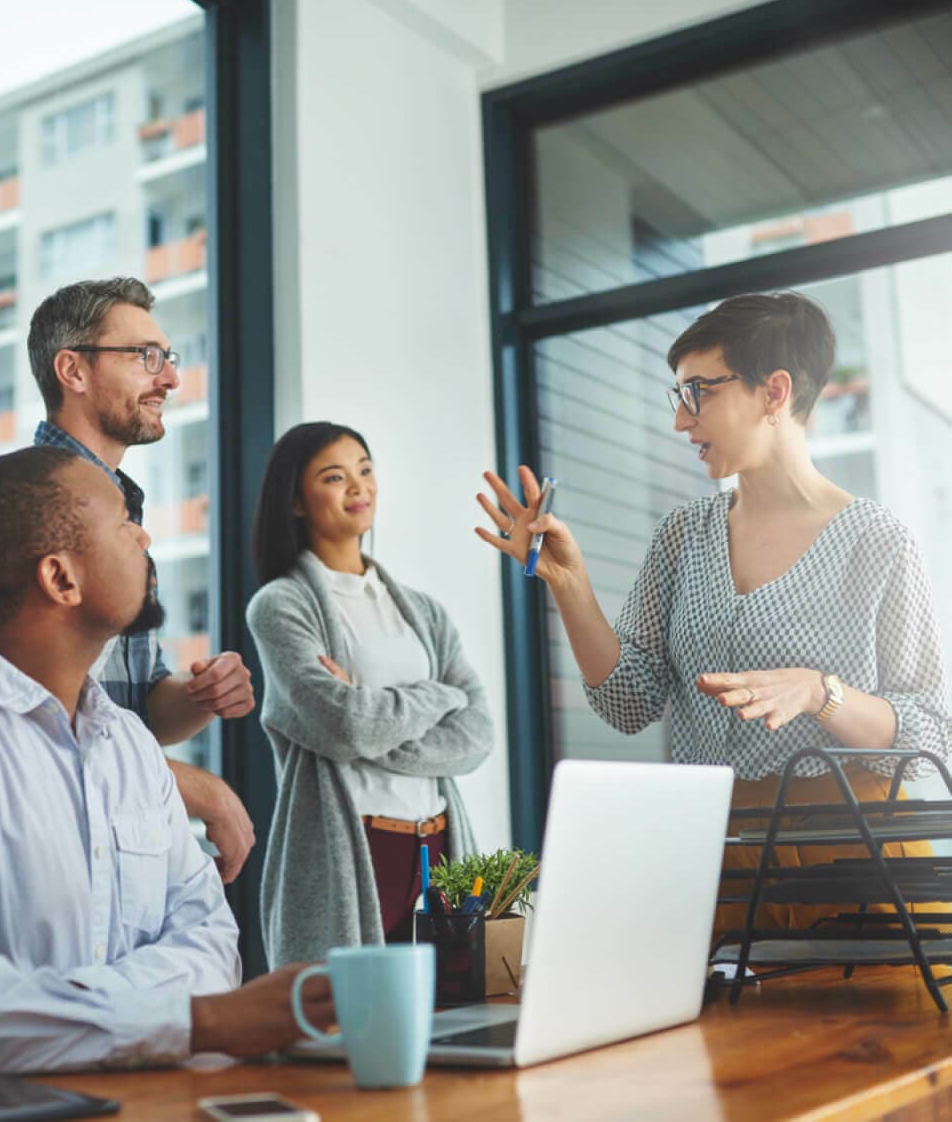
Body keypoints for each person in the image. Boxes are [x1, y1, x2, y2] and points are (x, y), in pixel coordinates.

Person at [0, 448, 333, 1080]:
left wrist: (55, 1011)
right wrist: (195, 1022)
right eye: (122, 523)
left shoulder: (131, 745)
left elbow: (212, 944)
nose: (143, 536)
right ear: (61, 579)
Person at [476, 292, 951, 931]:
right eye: (679, 396)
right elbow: (628, 702)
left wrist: (820, 693)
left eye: (699, 392)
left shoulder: (878, 540)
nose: (681, 421)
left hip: (850, 858)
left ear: (774, 392)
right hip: (710, 857)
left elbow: (931, 731)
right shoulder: (683, 534)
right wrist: (570, 583)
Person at [0, 277, 255, 882]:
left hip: (120, 839)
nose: (170, 379)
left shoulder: (125, 513)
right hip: (44, 853)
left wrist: (199, 696)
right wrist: (196, 788)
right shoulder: (12, 508)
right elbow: (23, 726)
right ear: (73, 371)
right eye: (146, 357)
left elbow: (140, 708)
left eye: (169, 358)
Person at [246, 422, 494, 967]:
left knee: (455, 1025)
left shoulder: (423, 610)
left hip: (439, 843)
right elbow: (347, 727)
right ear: (295, 501)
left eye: (365, 469)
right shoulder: (281, 606)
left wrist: (373, 712)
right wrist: (439, 696)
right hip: (355, 845)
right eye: (335, 477)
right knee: (350, 1030)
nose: (359, 487)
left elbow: (477, 736)